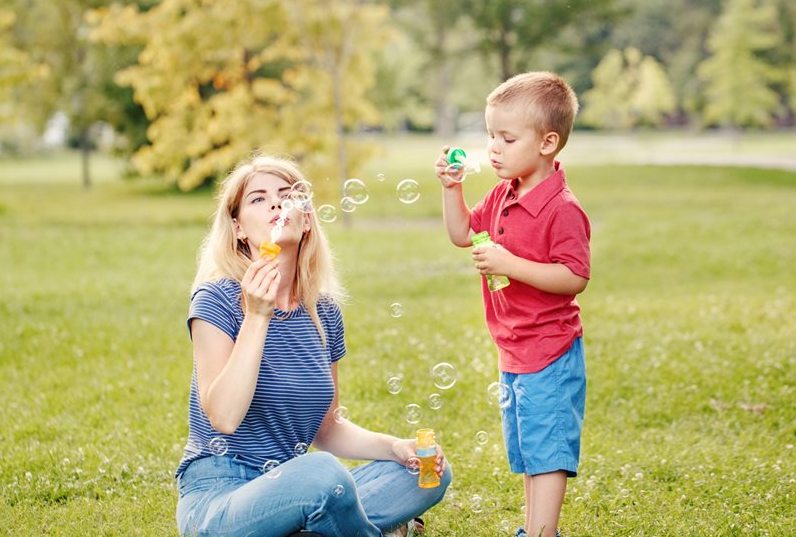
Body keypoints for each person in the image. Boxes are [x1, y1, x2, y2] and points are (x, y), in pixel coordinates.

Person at [175, 154, 451, 537]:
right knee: (322, 472)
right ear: (238, 228)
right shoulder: (217, 299)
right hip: (221, 497)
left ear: (306, 219)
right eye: (258, 198)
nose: (276, 203)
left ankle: (309, 527)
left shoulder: (323, 312)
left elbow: (328, 429)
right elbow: (223, 416)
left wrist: (395, 447)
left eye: (287, 195)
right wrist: (257, 316)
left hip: (293, 488)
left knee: (426, 472)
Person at [435, 72, 590, 537]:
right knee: (529, 450)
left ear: (547, 143)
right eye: (489, 136)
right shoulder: (504, 193)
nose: (493, 148)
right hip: (513, 348)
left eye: (506, 137)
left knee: (548, 452)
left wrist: (510, 262)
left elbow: (575, 277)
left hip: (550, 350)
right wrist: (451, 190)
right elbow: (463, 233)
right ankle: (534, 529)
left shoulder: (563, 207)